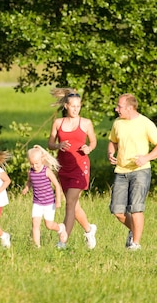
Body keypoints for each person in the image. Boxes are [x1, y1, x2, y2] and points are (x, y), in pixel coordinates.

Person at [108, 93, 157, 251]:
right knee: (118, 211)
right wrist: (110, 153)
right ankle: (134, 231)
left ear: (129, 108)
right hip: (121, 171)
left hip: (140, 171)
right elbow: (113, 141)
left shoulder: (145, 123)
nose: (116, 109)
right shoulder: (117, 123)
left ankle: (136, 243)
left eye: (119, 106)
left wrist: (146, 157)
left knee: (136, 208)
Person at [48, 88, 97, 249]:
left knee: (69, 202)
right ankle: (89, 230)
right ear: (66, 107)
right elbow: (50, 144)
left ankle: (63, 241)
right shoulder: (58, 123)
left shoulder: (86, 123)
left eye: (78, 106)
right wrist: (58, 145)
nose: (76, 109)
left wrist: (88, 149)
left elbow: (93, 142)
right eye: (73, 106)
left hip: (80, 167)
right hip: (63, 167)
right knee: (74, 206)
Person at [21, 145, 68, 248]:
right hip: (37, 203)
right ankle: (37, 246)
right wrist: (26, 188)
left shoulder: (46, 171)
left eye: (37, 163)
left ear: (42, 160)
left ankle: (60, 228)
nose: (35, 166)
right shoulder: (31, 172)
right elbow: (29, 181)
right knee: (35, 224)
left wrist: (58, 200)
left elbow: (56, 185)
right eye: (32, 164)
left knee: (49, 225)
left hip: (49, 203)